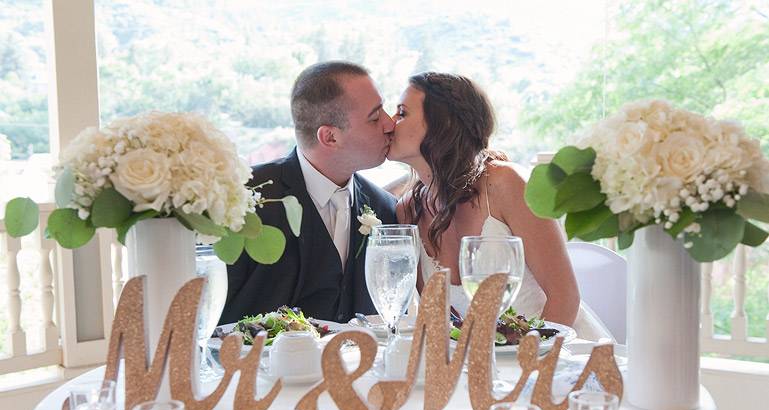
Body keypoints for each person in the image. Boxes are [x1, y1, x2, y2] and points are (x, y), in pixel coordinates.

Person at [387, 71, 612, 341]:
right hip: (483, 365)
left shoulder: (505, 183)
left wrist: (528, 366)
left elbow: (564, 295)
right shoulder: (408, 210)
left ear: (443, 123)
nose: (389, 124)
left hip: (555, 351)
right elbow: (442, 318)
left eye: (401, 113)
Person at [220, 61, 397, 325]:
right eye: (375, 117)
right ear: (329, 138)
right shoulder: (241, 199)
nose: (390, 124)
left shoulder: (385, 209)